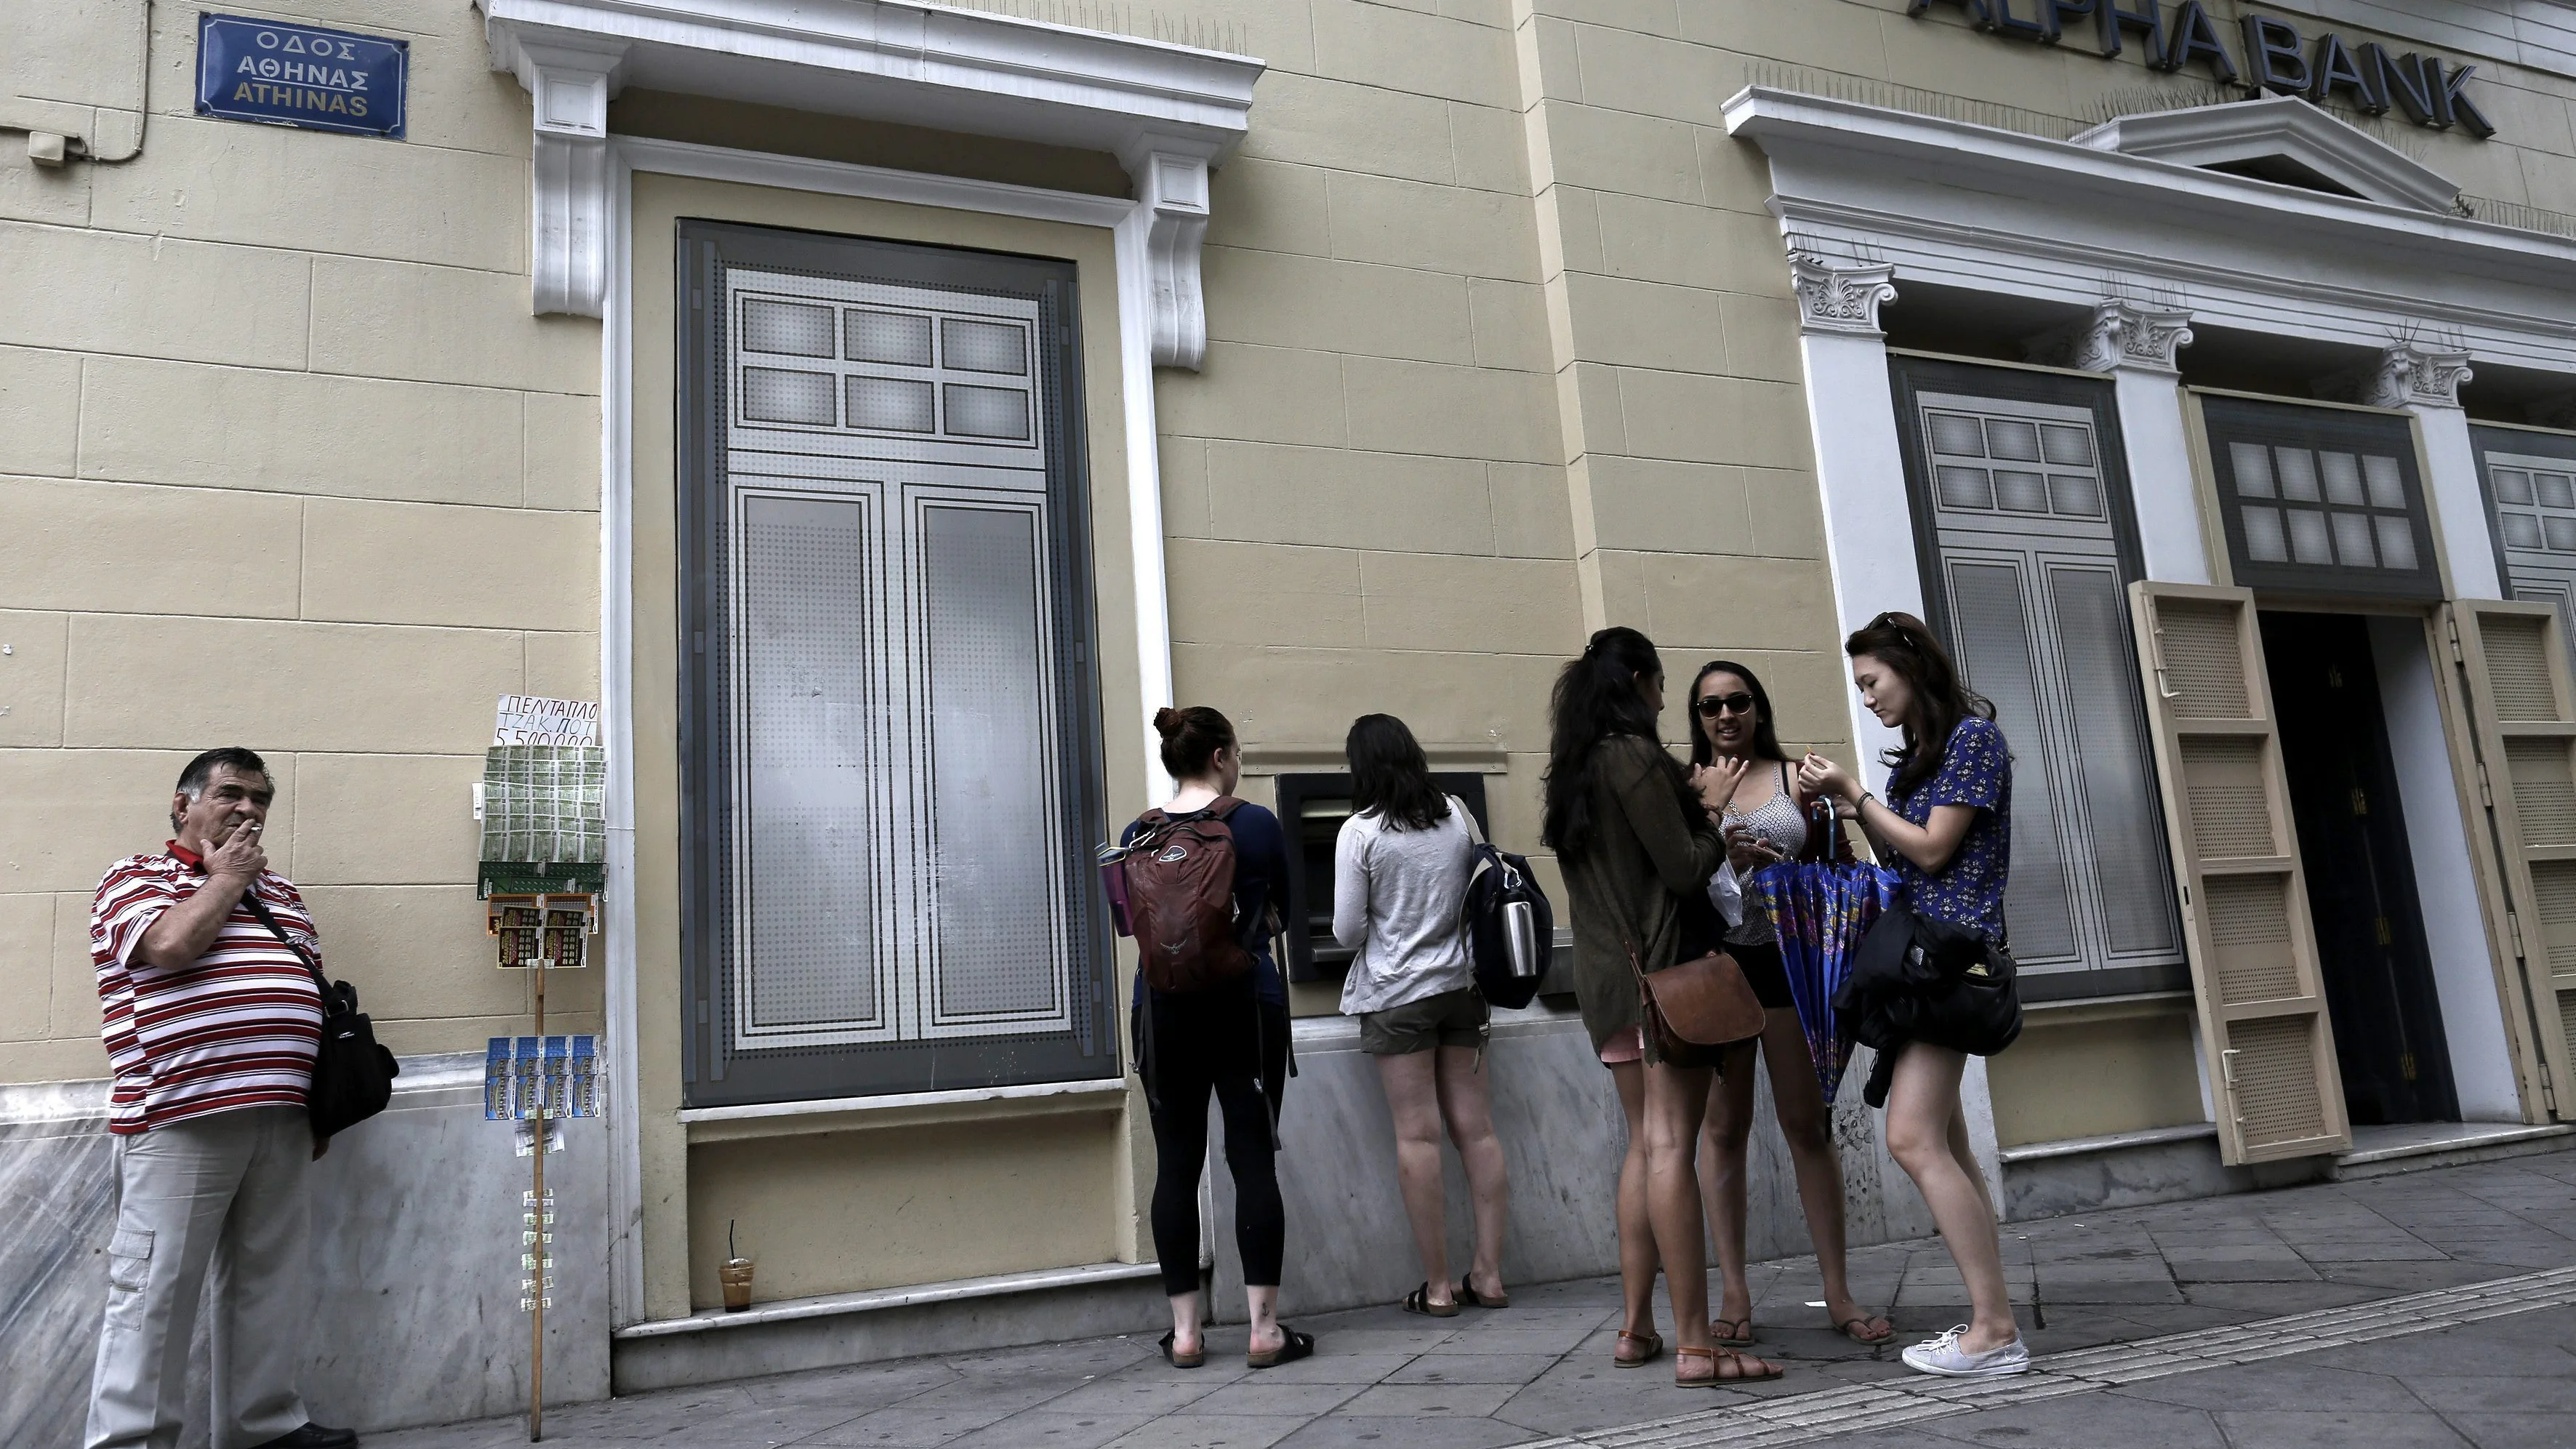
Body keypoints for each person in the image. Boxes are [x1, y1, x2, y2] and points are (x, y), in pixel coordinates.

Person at [86, 748, 360, 1449]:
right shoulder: (133, 878)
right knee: (154, 1294)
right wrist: (228, 880)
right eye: (231, 793)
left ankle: (261, 1426)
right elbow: (172, 945)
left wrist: (314, 1106)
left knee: (269, 1280)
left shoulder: (285, 897)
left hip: (283, 1117)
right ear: (183, 806)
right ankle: (131, 1441)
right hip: (179, 1118)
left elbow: (310, 997)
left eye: (260, 798)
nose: (249, 808)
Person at [1541, 627, 1783, 1386]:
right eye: (1660, 685)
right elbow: (1681, 870)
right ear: (1640, 682)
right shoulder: (1632, 756)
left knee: (1645, 1146)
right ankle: (1696, 1346)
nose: (1661, 698)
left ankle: (1636, 1326)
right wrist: (1709, 813)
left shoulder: (1573, 766)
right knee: (1675, 1146)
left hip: (1609, 985)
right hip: (1661, 982)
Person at [1797, 612, 2026, 1379]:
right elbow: (1897, 856)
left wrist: (1854, 790)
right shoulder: (1921, 760)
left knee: (1912, 1138)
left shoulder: (1972, 741)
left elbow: (1932, 849)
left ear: (1910, 665)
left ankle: (1994, 1330)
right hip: (1920, 962)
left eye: (1872, 682)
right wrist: (1841, 808)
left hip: (1947, 962)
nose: (1866, 698)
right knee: (1949, 1146)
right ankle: (1993, 1317)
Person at [1685, 661, 1895, 1350]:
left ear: (1757, 706)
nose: (1724, 714)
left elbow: (1845, 864)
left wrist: (1785, 863)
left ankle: (1837, 1290)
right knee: (1723, 1128)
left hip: (1790, 964)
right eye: (1710, 705)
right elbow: (1675, 881)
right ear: (1697, 715)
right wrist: (1723, 856)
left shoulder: (1794, 777)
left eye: (1737, 701)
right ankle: (1736, 1293)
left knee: (1808, 1124)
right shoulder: (1685, 787)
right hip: (1718, 967)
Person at [1125, 706, 1311, 1370]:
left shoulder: (1138, 833)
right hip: (1244, 1006)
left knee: (1176, 1164)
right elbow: (1284, 911)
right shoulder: (1254, 823)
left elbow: (1132, 927)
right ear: (1223, 756)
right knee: (1251, 1160)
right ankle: (1264, 1330)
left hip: (1164, 1012)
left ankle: (1184, 1333)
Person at [1332, 713, 1510, 1317]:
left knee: (1418, 1134)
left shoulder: (1359, 832)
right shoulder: (1457, 813)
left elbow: (1347, 928)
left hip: (1397, 994)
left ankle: (1437, 1286)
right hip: (1461, 985)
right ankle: (1487, 1273)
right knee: (1477, 1131)